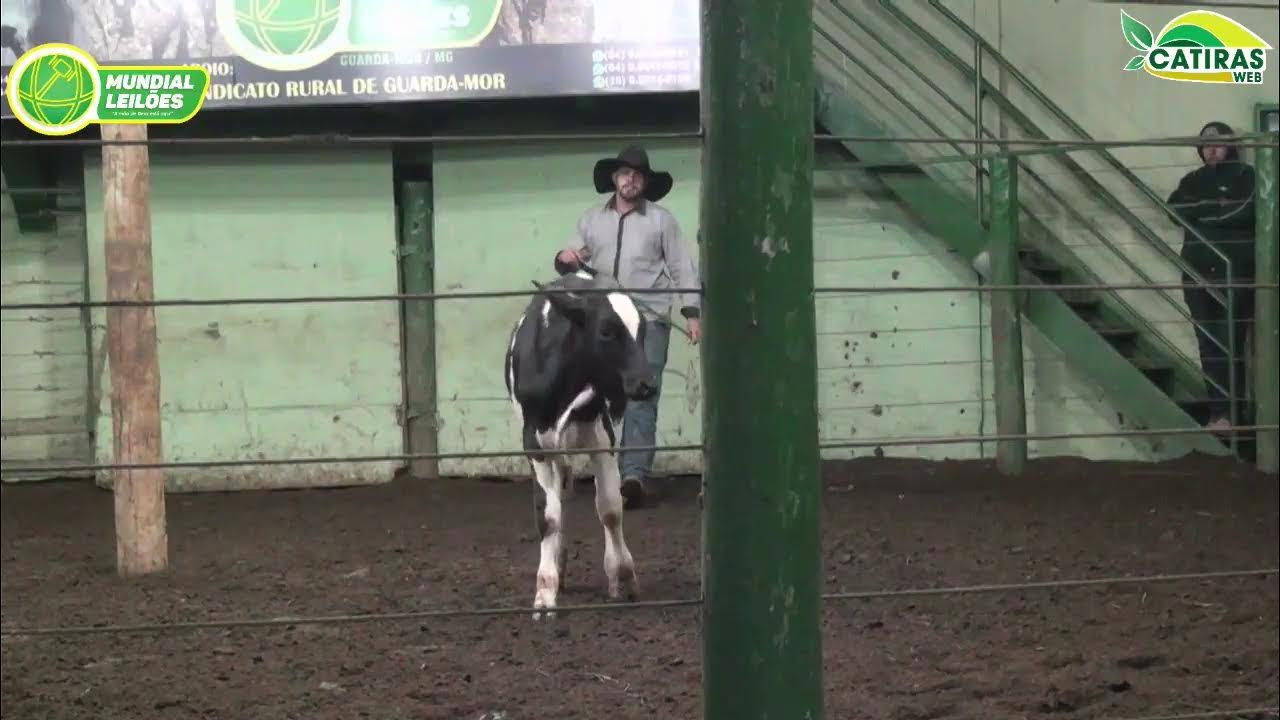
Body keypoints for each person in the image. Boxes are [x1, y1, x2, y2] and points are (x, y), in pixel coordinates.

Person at [553, 145, 701, 508]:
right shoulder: (591, 220)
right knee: (595, 394)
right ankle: (602, 467)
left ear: (645, 182)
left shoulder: (662, 221)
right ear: (614, 179)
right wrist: (566, 258)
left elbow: (682, 266)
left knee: (642, 392)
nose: (629, 179)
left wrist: (692, 312)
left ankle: (633, 473)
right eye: (624, 173)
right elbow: (570, 257)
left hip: (650, 317)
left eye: (637, 174)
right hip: (606, 323)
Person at [1166, 120, 1257, 435]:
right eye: (1205, 144)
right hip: (1197, 273)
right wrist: (1214, 210)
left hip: (1237, 273)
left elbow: (1245, 212)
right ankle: (1219, 414)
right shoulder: (1192, 179)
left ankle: (1234, 415)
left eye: (1218, 143)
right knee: (1208, 345)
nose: (1211, 149)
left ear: (1231, 146)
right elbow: (1174, 209)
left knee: (1230, 343)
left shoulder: (1248, 177)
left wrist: (1202, 215)